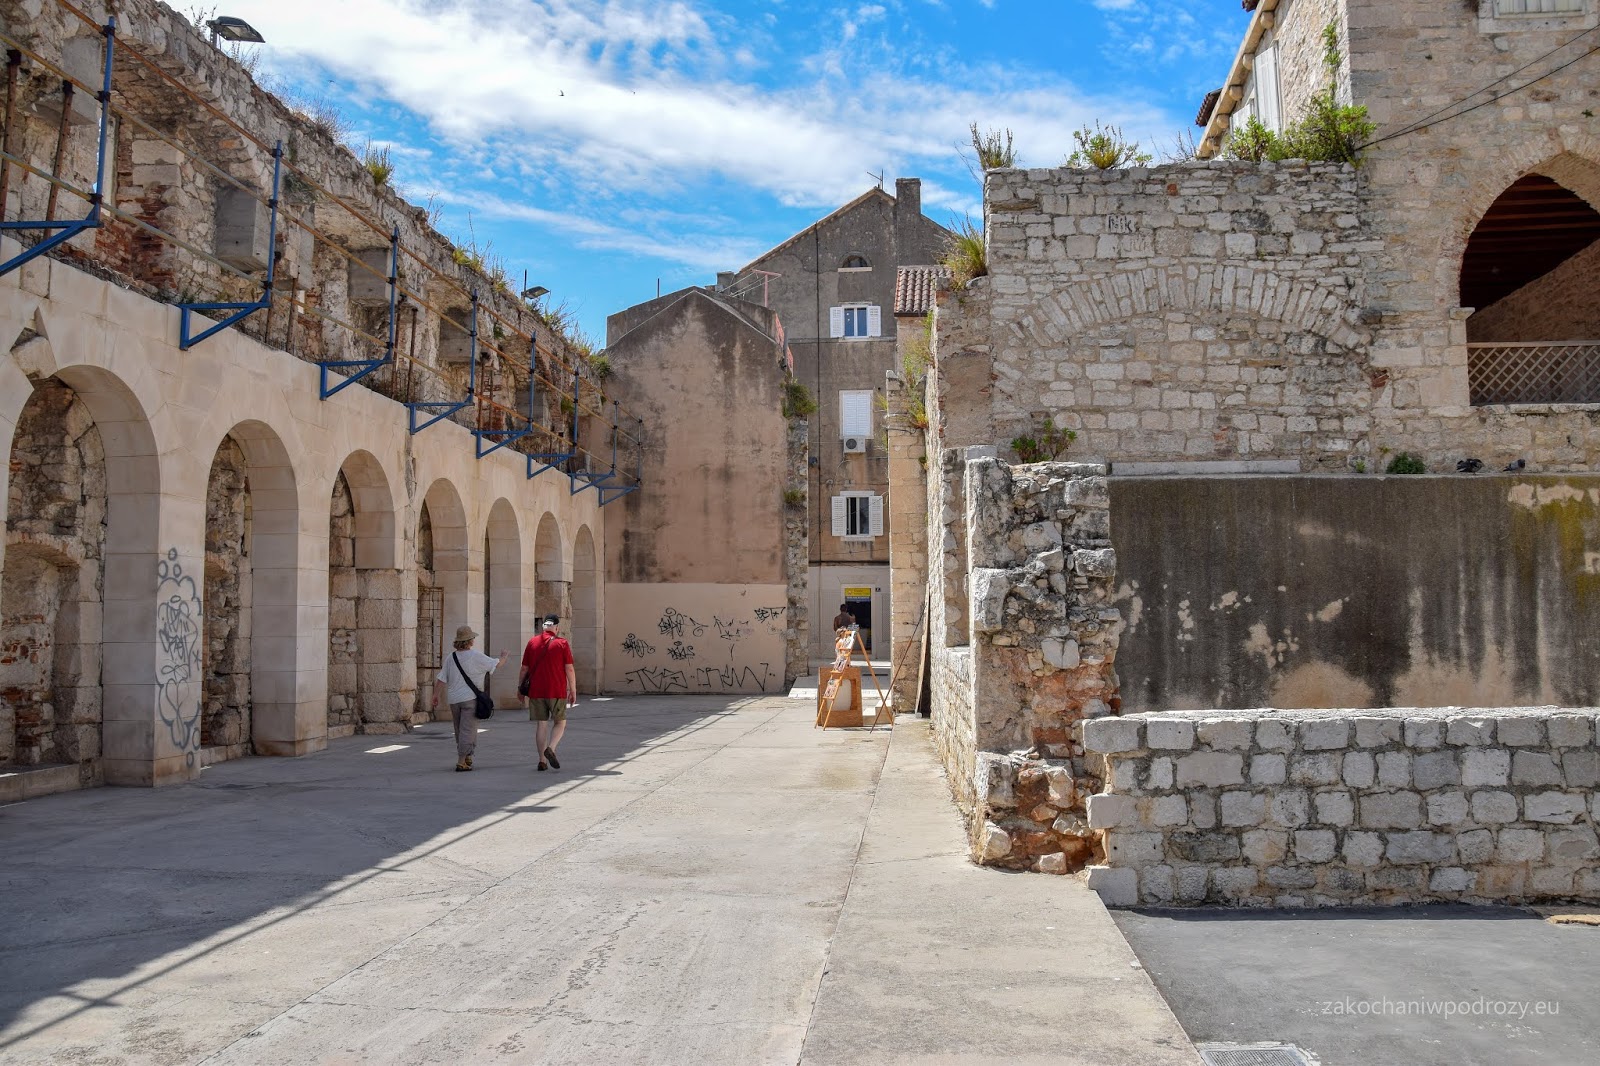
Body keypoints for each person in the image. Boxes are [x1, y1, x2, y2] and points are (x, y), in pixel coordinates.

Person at [432, 625, 508, 773]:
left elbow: (441, 678)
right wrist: (504, 656)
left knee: (459, 730)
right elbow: (497, 664)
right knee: (468, 730)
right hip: (470, 699)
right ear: (470, 641)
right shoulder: (476, 656)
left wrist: (435, 695)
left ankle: (467, 756)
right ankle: (461, 762)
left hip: (454, 700)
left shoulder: (451, 657)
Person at [520, 613, 576, 772]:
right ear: (556, 627)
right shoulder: (562, 643)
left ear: (543, 626)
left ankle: (542, 761)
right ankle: (551, 748)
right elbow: (569, 669)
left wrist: (520, 689)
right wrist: (573, 689)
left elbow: (524, 668)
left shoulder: (532, 642)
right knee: (560, 722)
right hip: (556, 690)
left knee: (541, 724)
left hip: (536, 691)